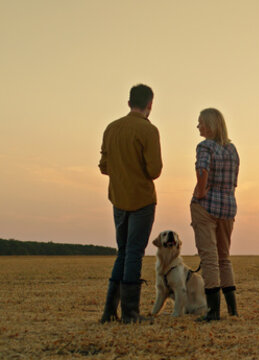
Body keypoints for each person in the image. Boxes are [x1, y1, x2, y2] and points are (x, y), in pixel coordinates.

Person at [98, 84, 162, 324]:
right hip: (142, 199)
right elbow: (154, 170)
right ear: (150, 105)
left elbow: (104, 166)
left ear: (128, 103)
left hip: (118, 198)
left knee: (122, 252)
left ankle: (108, 312)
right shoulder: (149, 130)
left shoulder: (111, 128)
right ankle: (130, 313)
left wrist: (121, 171)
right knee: (134, 252)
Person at [191, 108, 240, 322]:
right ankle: (232, 310)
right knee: (224, 258)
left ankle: (212, 312)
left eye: (201, 122)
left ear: (210, 125)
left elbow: (202, 171)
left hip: (207, 206)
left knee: (209, 258)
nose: (198, 126)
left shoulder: (204, 147)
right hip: (228, 207)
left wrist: (200, 192)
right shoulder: (232, 149)